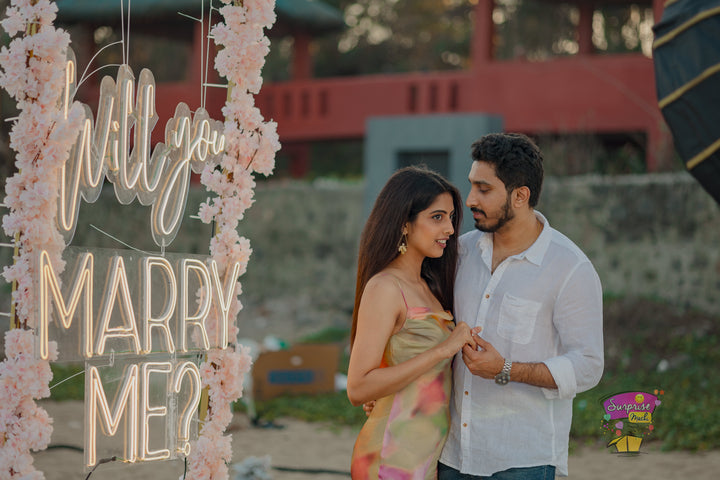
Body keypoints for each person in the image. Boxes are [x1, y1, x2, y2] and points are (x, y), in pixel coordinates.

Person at [437, 133, 604, 479]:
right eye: (471, 186)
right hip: (452, 453)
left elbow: (588, 365)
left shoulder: (569, 268)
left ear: (520, 196)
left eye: (484, 190)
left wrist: (506, 368)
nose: (469, 200)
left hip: (522, 460)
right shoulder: (461, 254)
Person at [347, 166, 479, 480]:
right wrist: (443, 350)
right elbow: (358, 387)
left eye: (450, 217)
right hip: (392, 456)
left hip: (425, 457)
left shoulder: (429, 287)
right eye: (437, 217)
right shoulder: (386, 288)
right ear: (405, 224)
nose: (449, 228)